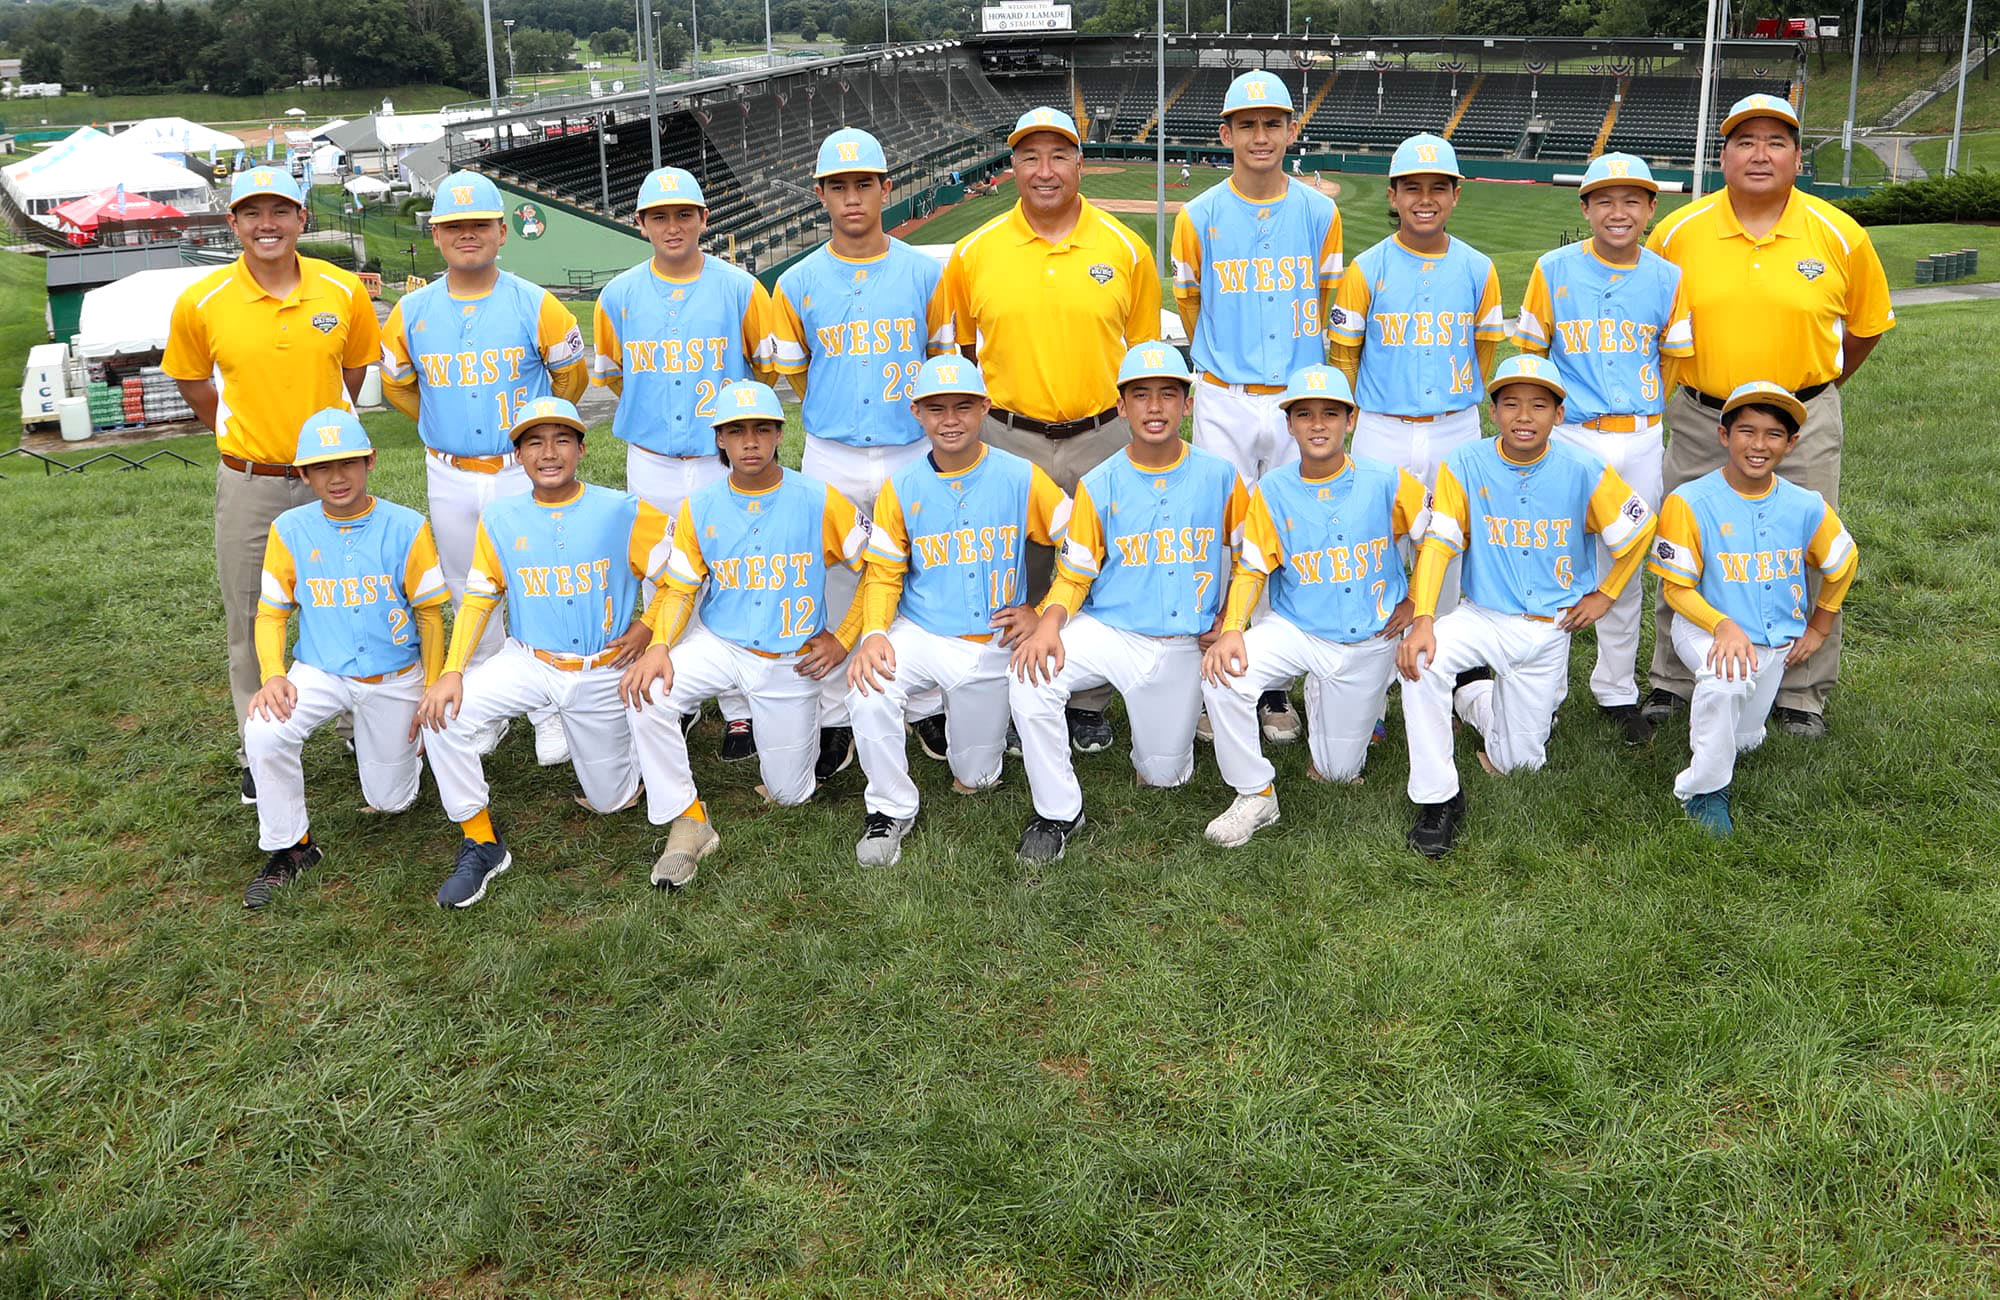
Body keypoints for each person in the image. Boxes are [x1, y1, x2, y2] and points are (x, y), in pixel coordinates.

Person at [1640, 93, 1893, 739]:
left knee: (1806, 547)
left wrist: (1813, 392)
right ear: (1722, 156)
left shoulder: (1839, 233)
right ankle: (1674, 677)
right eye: (1744, 141)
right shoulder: (1677, 233)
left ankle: (1800, 691)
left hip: (1802, 418)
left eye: (1775, 141)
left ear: (1797, 156)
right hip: (1703, 417)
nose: (1760, 153)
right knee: (1686, 547)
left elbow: (1863, 330)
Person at [940, 106, 1163, 756]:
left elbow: (1147, 357)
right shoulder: (973, 253)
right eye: (1030, 156)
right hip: (1010, 435)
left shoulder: (1125, 248)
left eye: (1058, 155)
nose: (1044, 170)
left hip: (1103, 432)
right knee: (1017, 571)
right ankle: (1023, 691)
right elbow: (955, 360)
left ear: (1078, 163)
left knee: (1101, 569)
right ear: (1012, 166)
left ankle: (1088, 699)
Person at [164, 167, 381, 804]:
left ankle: (356, 723)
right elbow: (193, 382)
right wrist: (246, 441)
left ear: (301, 219)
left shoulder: (342, 290)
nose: (267, 224)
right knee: (251, 615)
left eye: (280, 211)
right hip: (251, 482)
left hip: (334, 480)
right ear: (232, 223)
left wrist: (322, 452)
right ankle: (258, 743)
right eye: (252, 213)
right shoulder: (202, 301)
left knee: (353, 600)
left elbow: (355, 368)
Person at [1395, 356, 1656, 859]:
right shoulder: (1465, 463)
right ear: (1492, 412)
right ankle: (1437, 797)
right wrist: (1424, 619)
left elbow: (1638, 528)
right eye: (1510, 403)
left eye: (1539, 405)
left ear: (1559, 416)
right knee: (1421, 660)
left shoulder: (1583, 468)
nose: (1524, 415)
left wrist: (1606, 592)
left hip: (1548, 628)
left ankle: (1473, 695)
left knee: (1518, 763)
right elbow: (1440, 545)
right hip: (1482, 616)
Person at [414, 398, 670, 910]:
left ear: (581, 448)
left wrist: (649, 625)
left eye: (561, 440)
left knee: (611, 800)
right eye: (534, 441)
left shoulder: (624, 508)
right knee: (442, 716)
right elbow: (481, 597)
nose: (548, 452)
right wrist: (452, 671)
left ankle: (621, 757)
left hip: (604, 668)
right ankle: (481, 841)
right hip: (530, 661)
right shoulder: (501, 517)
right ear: (518, 455)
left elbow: (681, 573)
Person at [620, 382, 871, 889]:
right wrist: (662, 646)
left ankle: (791, 737)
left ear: (780, 435)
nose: (750, 441)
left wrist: (844, 638)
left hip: (790, 658)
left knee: (791, 793)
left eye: (762, 429)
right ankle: (689, 818)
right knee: (645, 693)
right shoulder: (699, 505)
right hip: (722, 644)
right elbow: (680, 587)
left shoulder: (819, 498)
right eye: (736, 431)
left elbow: (879, 568)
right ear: (720, 441)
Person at [1008, 344, 1248, 864]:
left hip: (1183, 642)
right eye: (1141, 396)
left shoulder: (1220, 475)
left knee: (1166, 776)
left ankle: (1162, 744)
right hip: (1112, 632)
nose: (1155, 407)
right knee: (1030, 672)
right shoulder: (1100, 483)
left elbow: (1251, 556)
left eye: (1168, 394)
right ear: (1122, 409)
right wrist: (1049, 623)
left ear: (1188, 405)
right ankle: (1058, 810)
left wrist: (1232, 619)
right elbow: (1074, 572)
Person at [380, 169, 589, 765]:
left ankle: (548, 710)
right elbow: (399, 385)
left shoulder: (535, 303)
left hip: (520, 468)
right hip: (448, 468)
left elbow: (568, 379)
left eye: (478, 224)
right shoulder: (411, 310)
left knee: (535, 579)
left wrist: (538, 438)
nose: (466, 234)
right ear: (438, 235)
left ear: (502, 231)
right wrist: (441, 428)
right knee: (462, 584)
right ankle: (489, 706)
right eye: (453, 226)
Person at [770, 127, 954, 781]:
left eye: (864, 185)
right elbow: (796, 375)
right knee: (831, 581)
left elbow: (943, 365)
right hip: (833, 449)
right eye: (839, 187)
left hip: (910, 447)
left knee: (921, 574)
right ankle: (836, 716)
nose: (853, 198)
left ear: (886, 189)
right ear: (821, 194)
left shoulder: (923, 272)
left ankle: (925, 703)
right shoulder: (796, 283)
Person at [1172, 68, 1343, 743]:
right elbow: (1191, 307)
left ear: (1291, 130)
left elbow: (1324, 301)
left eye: (1274, 123)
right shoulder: (1199, 215)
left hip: (1300, 401)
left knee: (1289, 539)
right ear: (1226, 134)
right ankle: (1213, 674)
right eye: (1248, 124)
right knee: (1218, 541)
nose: (1262, 135)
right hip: (1225, 396)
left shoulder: (1319, 212)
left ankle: (1271, 687)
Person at [843, 356, 1070, 867]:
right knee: (868, 681)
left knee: (978, 776)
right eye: (936, 408)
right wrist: (875, 632)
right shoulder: (900, 488)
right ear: (917, 413)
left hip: (994, 641)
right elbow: (882, 572)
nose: (950, 419)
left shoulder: (1021, 476)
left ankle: (969, 732)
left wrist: (1042, 610)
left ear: (985, 408)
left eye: (963, 406)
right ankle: (889, 808)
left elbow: (1080, 546)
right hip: (921, 631)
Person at [1197, 364, 1425, 847]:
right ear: (1290, 425)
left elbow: (1442, 537)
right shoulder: (1273, 490)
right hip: (1297, 629)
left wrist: (1418, 602)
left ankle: (1336, 705)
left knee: (1339, 772)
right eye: (1304, 414)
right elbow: (1253, 567)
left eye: (1330, 413)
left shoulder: (1389, 480)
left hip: (1369, 638)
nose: (1317, 424)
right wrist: (1235, 627)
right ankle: (1256, 792)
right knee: (1223, 673)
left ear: (1351, 419)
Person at [593, 165, 772, 760]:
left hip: (723, 461)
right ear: (640, 223)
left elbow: (763, 374)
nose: (673, 226)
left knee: (733, 571)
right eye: (660, 216)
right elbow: (617, 377)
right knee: (657, 571)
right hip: (650, 458)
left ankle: (740, 708)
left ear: (703, 219)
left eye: (684, 214)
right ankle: (678, 688)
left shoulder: (741, 287)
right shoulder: (617, 295)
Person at [1513, 152, 1693, 744]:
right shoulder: (1553, 268)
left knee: (1624, 564)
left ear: (1650, 209)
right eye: (1605, 200)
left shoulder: (1667, 276)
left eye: (1632, 200)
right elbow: (1531, 358)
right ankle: (1549, 689)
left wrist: (1639, 413)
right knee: (1557, 560)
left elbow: (1671, 362)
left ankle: (1616, 689)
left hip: (1638, 437)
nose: (1619, 212)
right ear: (1585, 207)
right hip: (1570, 436)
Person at [241, 410, 449, 908]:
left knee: (390, 800)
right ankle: (292, 847)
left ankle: (396, 756)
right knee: (265, 730)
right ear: (304, 475)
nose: (337, 478)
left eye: (348, 463)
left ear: (370, 462)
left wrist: (430, 687)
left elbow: (430, 617)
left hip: (394, 674)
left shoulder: (406, 525)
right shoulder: (289, 528)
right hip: (321, 669)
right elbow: (271, 613)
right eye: (321, 468)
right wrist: (272, 675)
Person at [1649, 381, 1858, 835]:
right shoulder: (1688, 501)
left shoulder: (1806, 505)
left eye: (1773, 434)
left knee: (1742, 740)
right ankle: (1703, 790)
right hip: (1706, 628)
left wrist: (1819, 628)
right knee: (1725, 679)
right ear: (1723, 436)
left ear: (1792, 443)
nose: (1759, 444)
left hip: (1774, 644)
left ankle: (1723, 730)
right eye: (1746, 431)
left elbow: (1844, 561)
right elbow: (1676, 590)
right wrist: (1721, 626)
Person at [1328, 133, 1504, 493]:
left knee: (1451, 541)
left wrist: (1454, 400)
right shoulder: (1365, 268)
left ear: (1456, 195)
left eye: (1438, 188)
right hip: (1381, 428)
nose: (1425, 200)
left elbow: (1483, 352)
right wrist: (1354, 418)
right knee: (1377, 540)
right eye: (1412, 188)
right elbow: (1345, 358)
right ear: (1393, 196)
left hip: (1456, 427)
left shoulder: (1480, 269)